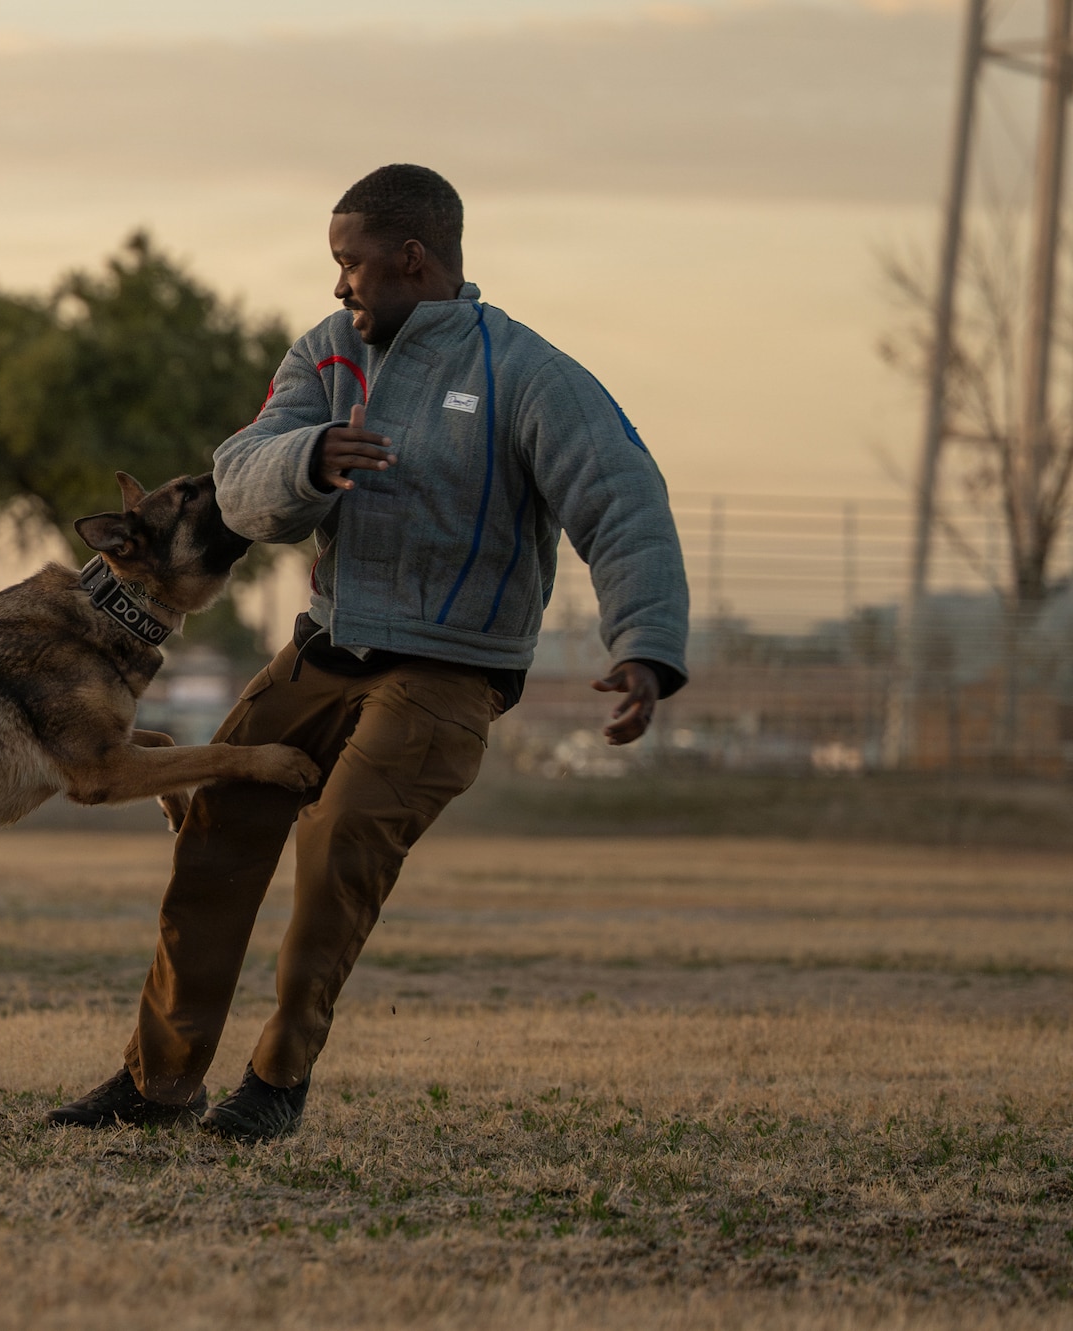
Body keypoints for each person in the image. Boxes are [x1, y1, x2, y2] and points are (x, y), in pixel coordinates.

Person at [47, 163, 690, 1141]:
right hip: (325, 644)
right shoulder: (325, 355)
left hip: (449, 669)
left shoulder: (525, 374)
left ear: (409, 258)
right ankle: (157, 1082)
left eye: (349, 263)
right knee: (216, 818)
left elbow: (623, 502)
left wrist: (643, 644)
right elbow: (240, 477)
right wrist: (307, 461)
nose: (337, 284)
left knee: (340, 833)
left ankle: (275, 1077)